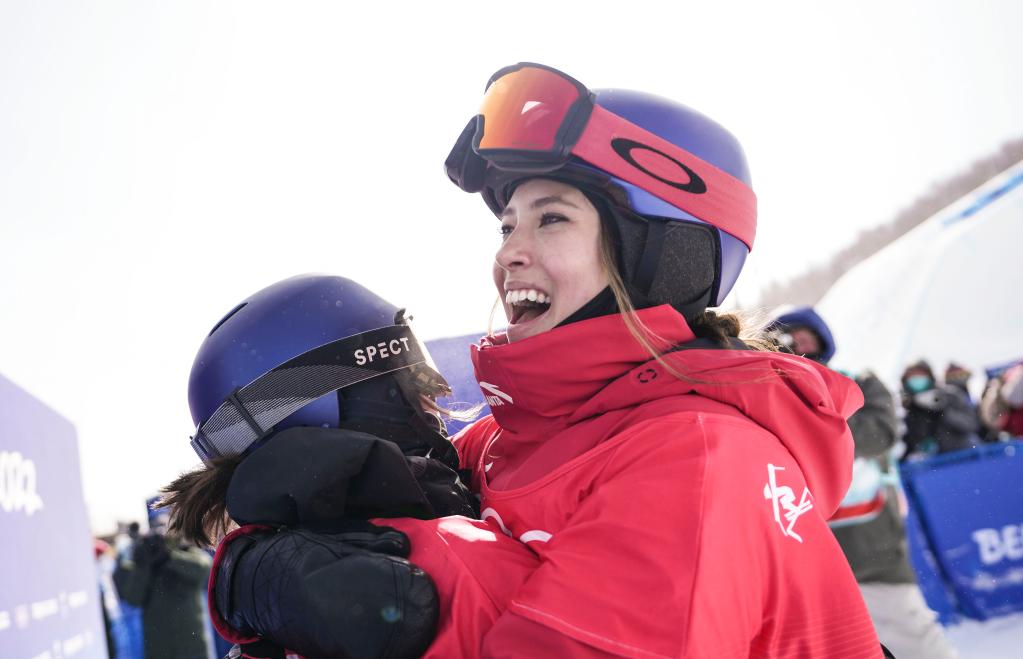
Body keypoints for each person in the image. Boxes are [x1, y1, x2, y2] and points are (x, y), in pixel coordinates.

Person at [196, 63, 887, 658]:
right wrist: (256, 573)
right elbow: (356, 532)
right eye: (506, 224)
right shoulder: (509, 439)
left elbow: (439, 576)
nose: (507, 252)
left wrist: (410, 604)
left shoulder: (699, 457)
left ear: (660, 252)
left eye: (549, 218)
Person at [773, 307, 957, 659]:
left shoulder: (858, 381)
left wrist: (809, 419)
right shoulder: (769, 394)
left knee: (913, 639)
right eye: (787, 338)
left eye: (805, 337)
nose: (796, 344)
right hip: (809, 555)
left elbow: (880, 434)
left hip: (872, 544)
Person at [900, 360, 980, 458]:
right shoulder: (908, 409)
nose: (916, 379)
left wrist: (943, 412)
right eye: (912, 377)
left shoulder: (950, 395)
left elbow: (970, 424)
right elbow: (912, 441)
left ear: (929, 377)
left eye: (920, 375)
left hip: (966, 455)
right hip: (935, 464)